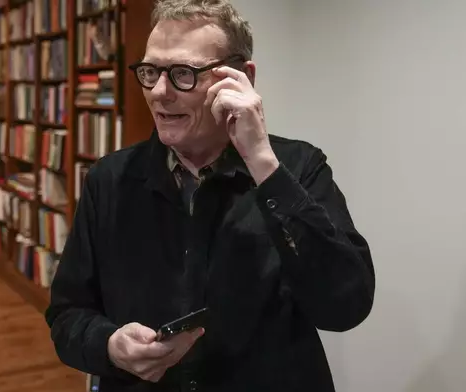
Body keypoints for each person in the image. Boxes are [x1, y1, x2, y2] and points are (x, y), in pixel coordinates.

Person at [44, 0, 376, 391]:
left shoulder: (298, 167)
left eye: (183, 73)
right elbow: (67, 313)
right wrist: (108, 346)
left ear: (240, 77)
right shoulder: (109, 179)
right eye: (150, 72)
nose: (159, 92)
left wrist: (263, 165)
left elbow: (344, 305)